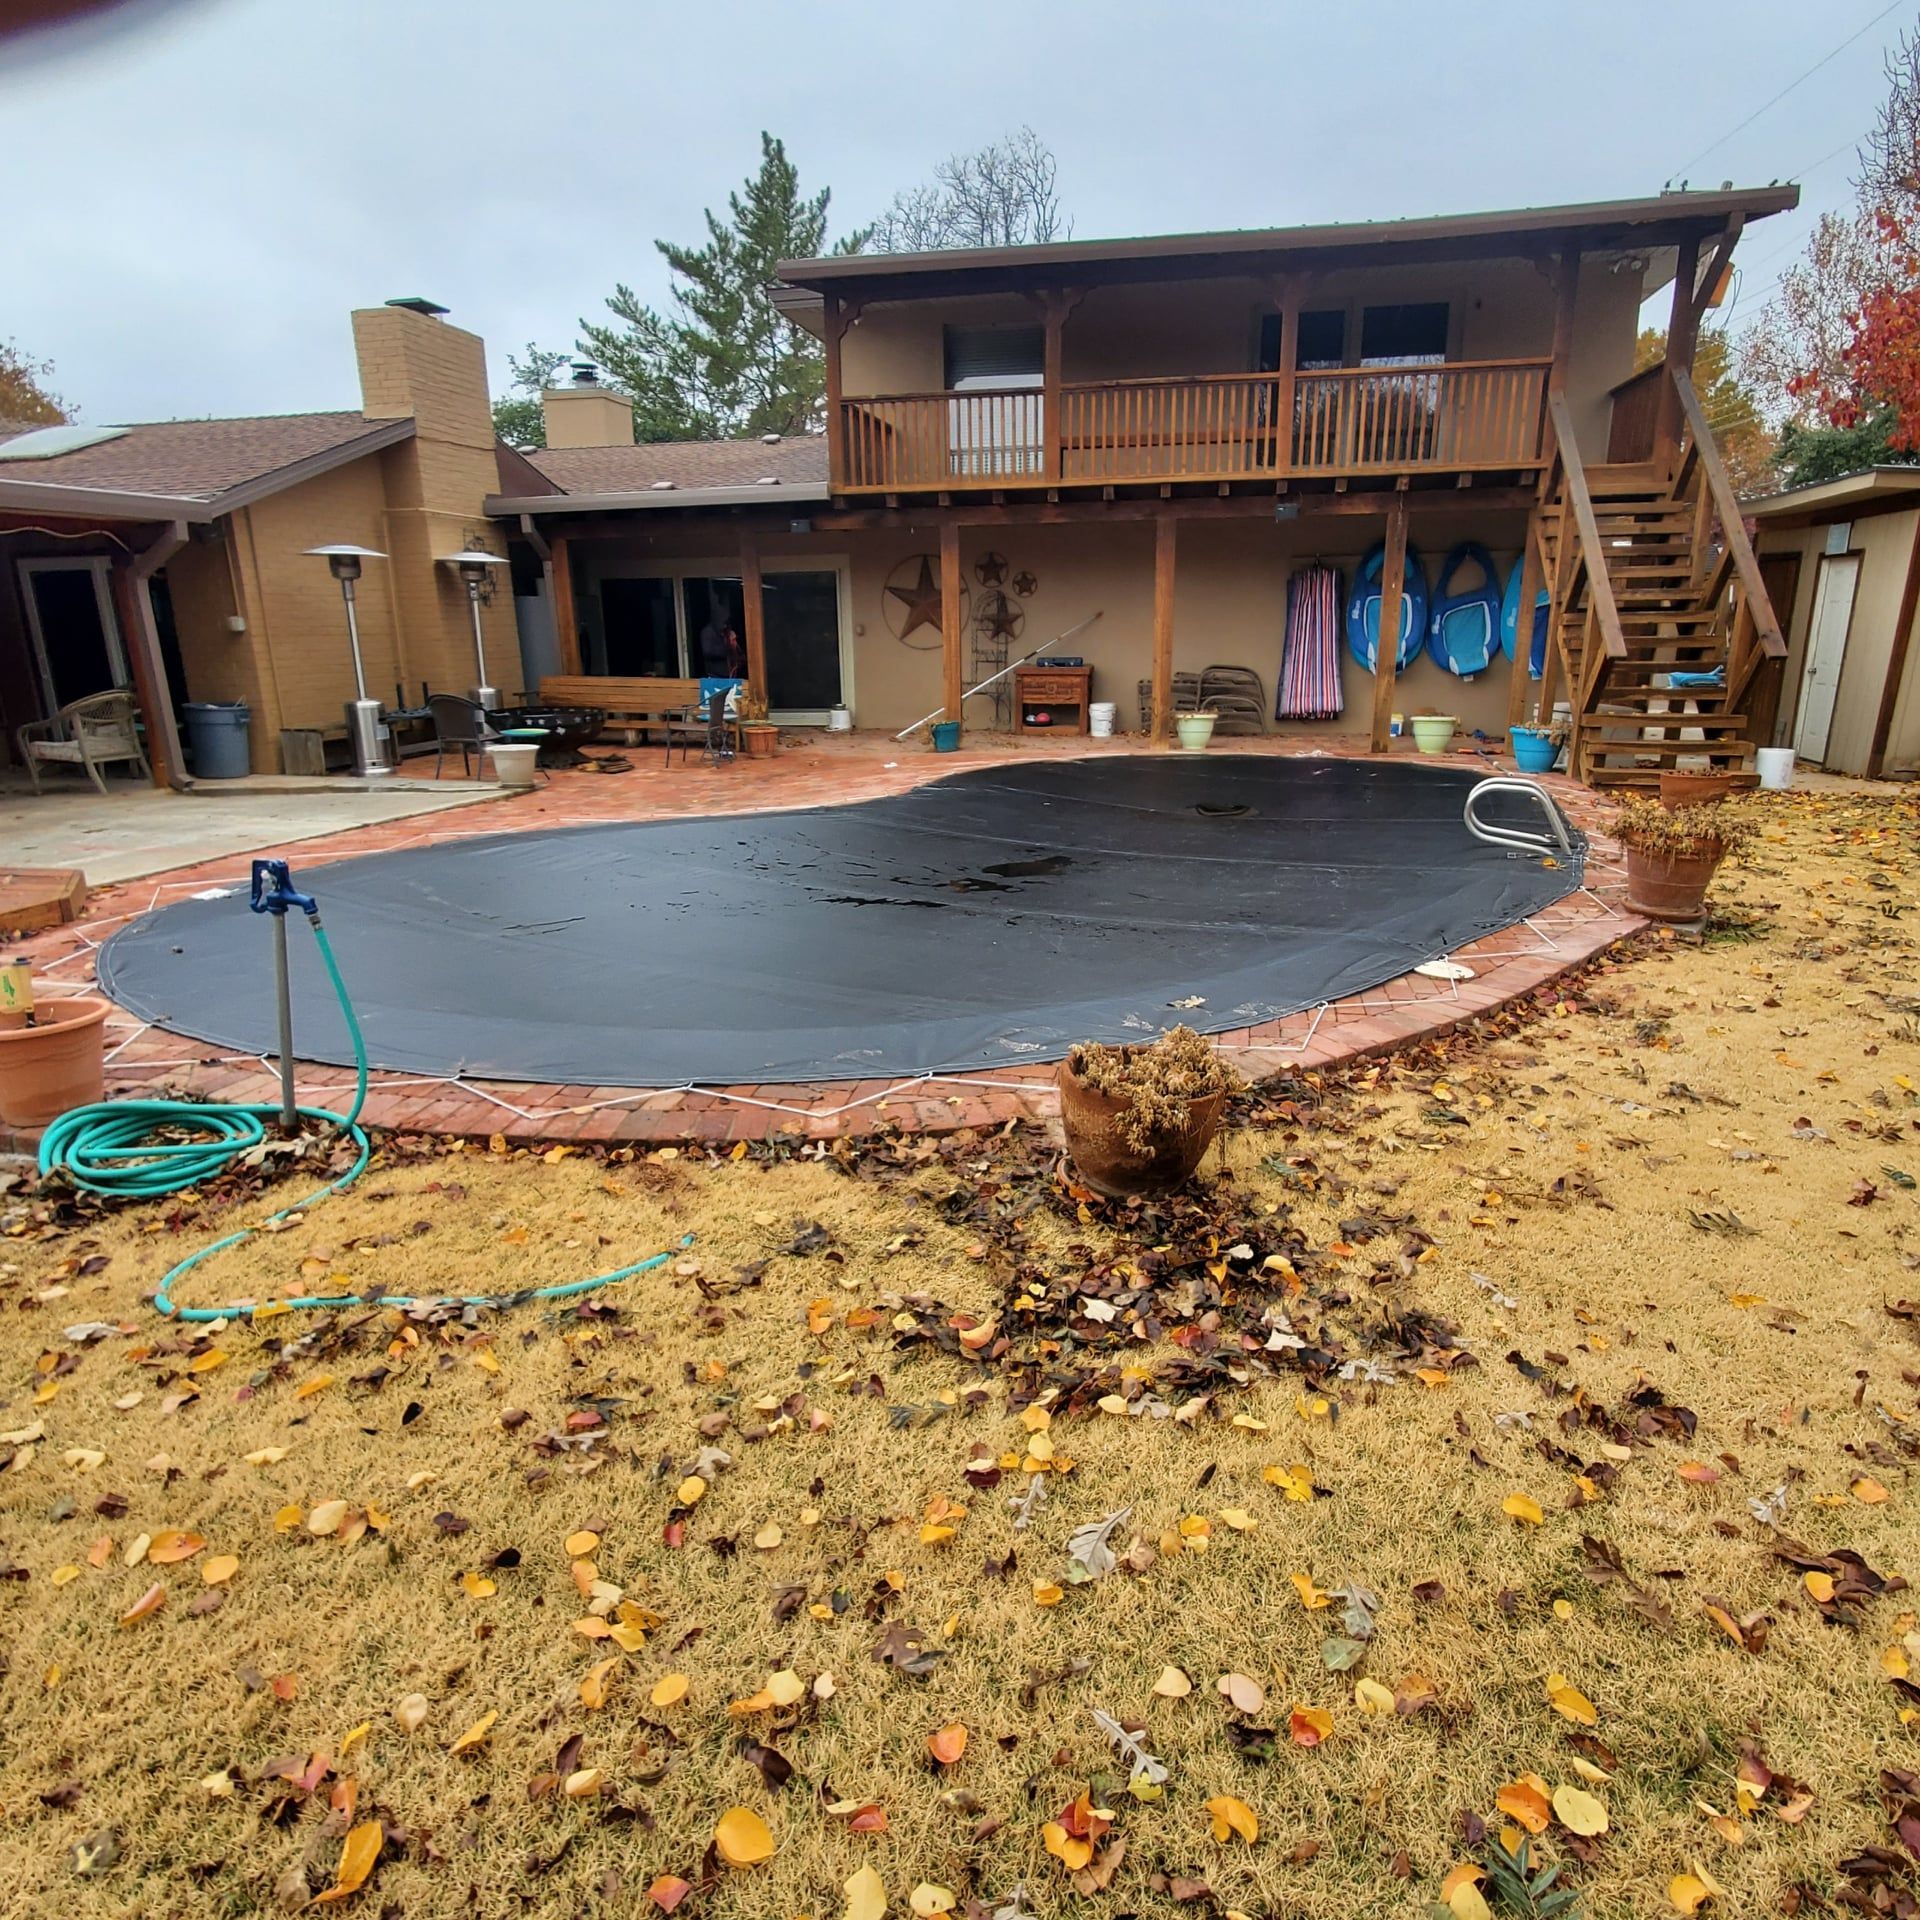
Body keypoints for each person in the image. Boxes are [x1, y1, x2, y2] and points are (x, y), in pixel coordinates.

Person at [698, 598, 745, 679]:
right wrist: (729, 645)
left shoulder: (725, 631)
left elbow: (738, 653)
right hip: (715, 676)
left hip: (729, 674)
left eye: (726, 622)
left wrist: (734, 641)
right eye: (723, 622)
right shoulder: (708, 632)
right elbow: (708, 652)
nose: (725, 625)